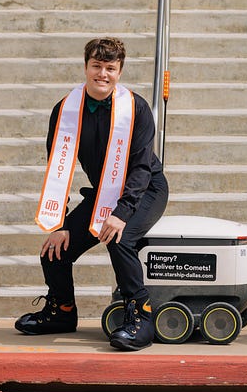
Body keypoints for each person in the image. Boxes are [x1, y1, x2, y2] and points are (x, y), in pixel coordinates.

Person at [16, 37, 169, 351]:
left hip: (144, 190)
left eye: (110, 68)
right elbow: (57, 169)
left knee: (119, 238)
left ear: (119, 72)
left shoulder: (136, 108)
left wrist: (122, 214)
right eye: (97, 66)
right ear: (86, 67)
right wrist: (59, 224)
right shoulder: (65, 109)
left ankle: (141, 315)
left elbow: (141, 168)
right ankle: (62, 311)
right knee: (53, 250)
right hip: (102, 191)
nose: (103, 74)